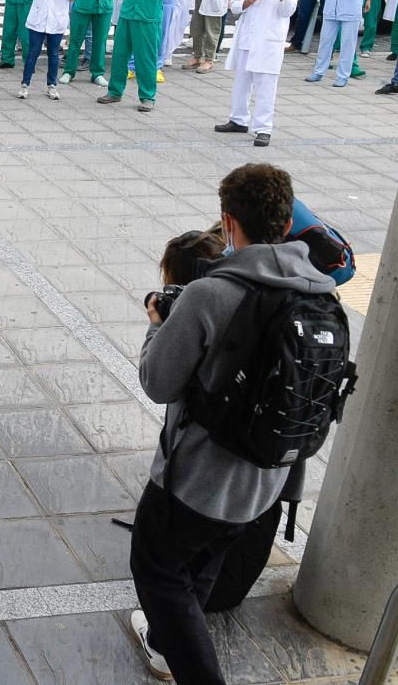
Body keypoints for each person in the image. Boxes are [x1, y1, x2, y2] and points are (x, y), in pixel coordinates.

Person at [130, 163, 335, 685]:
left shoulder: (210, 294)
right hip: (265, 480)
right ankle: (161, 646)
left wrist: (157, 328)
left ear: (228, 221)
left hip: (196, 480)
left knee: (158, 576)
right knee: (201, 564)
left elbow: (158, 384)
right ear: (287, 223)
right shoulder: (319, 291)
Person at [217, 0, 299, 147]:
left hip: (270, 37)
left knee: (265, 84)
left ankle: (263, 128)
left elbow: (287, 11)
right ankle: (238, 119)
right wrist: (246, 1)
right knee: (242, 81)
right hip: (248, 35)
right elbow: (234, 6)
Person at [20, 0, 79, 100]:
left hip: (57, 18)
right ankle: (25, 84)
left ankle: (51, 85)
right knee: (33, 52)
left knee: (53, 54)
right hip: (39, 16)